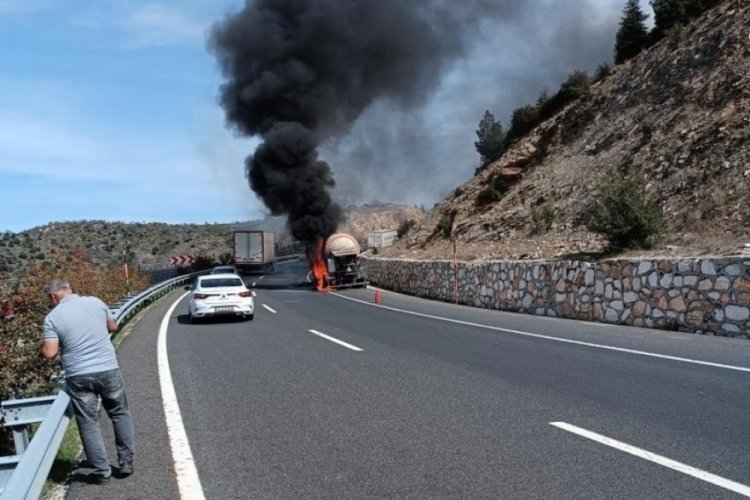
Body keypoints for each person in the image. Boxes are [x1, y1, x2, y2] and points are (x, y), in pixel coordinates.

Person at [40, 279, 134, 484]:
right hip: (108, 369)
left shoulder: (52, 317)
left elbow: (50, 353)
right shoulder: (96, 302)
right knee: (119, 413)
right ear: (69, 290)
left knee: (88, 423)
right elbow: (113, 327)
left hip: (79, 375)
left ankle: (102, 472)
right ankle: (126, 462)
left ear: (53, 296)